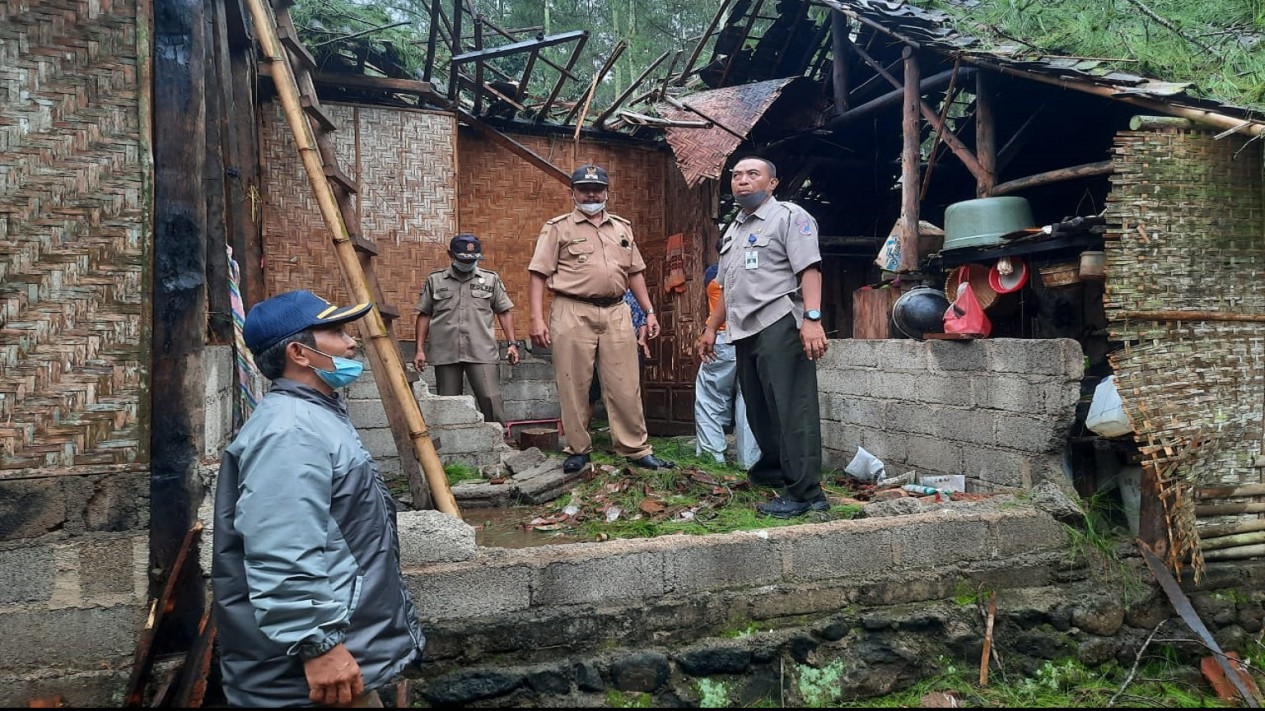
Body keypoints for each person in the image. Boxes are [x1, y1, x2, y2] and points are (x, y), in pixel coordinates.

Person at [213, 290, 426, 707]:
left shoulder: (316, 415)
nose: (351, 342)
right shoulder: (290, 432)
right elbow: (283, 551)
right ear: (300, 352)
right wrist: (319, 645)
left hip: (342, 659)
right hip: (315, 674)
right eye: (336, 331)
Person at [697, 156, 829, 519]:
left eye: (752, 174)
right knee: (759, 407)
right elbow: (726, 286)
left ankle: (805, 492)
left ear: (772, 183)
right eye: (736, 175)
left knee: (792, 407)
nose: (742, 180)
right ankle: (774, 471)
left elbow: (810, 270)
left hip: (779, 323)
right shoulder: (734, 229)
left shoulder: (789, 217)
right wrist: (712, 328)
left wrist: (812, 320)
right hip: (743, 330)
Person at [528, 163, 675, 474]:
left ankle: (635, 448)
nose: (591, 193)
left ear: (608, 192)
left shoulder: (622, 228)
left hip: (617, 311)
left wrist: (648, 311)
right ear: (573, 193)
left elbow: (634, 273)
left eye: (597, 188)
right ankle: (578, 449)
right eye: (584, 188)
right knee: (573, 382)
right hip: (572, 310)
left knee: (625, 382)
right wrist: (536, 319)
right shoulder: (558, 228)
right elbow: (538, 274)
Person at [413, 233, 521, 424]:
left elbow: (504, 311)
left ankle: (499, 443)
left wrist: (512, 343)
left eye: (473, 259)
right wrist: (419, 350)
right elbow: (424, 314)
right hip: (445, 350)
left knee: (490, 398)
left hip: (481, 350)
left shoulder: (490, 280)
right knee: (448, 402)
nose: (468, 263)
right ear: (451, 254)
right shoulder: (435, 280)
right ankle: (453, 447)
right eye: (463, 259)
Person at [694, 263, 761, 469]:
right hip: (751, 337)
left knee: (710, 398)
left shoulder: (714, 273)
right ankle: (750, 461)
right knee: (749, 399)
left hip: (722, 339)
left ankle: (712, 457)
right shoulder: (756, 268)